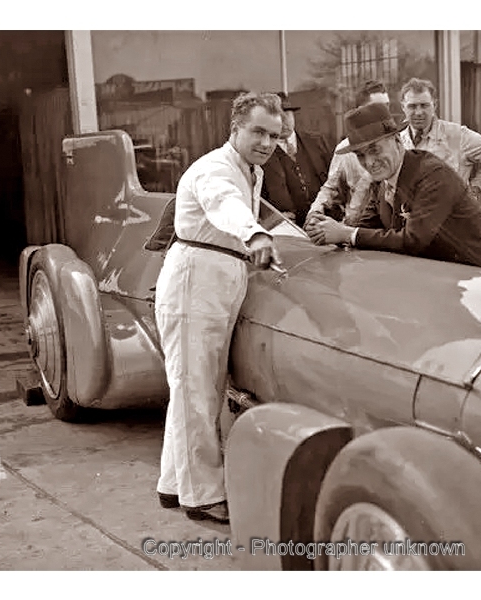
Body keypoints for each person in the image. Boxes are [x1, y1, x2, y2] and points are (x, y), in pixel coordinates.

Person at [152, 92, 284, 525]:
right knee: (197, 390)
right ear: (235, 129)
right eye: (258, 132)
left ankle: (175, 484)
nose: (266, 142)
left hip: (218, 277)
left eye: (274, 135)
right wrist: (254, 233)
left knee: (194, 387)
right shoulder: (215, 169)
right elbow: (224, 204)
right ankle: (203, 496)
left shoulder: (251, 170)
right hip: (197, 279)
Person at [305, 102, 481, 274]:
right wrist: (324, 229)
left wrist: (345, 233)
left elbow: (413, 241)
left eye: (375, 150)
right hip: (454, 274)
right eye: (360, 155)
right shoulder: (380, 182)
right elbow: (366, 226)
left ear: (397, 142)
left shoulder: (432, 174)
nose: (369, 161)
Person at [399, 77, 481, 202]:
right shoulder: (398, 141)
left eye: (424, 105)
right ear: (403, 107)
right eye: (412, 106)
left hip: (452, 217)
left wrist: (474, 189)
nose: (419, 112)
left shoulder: (457, 136)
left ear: (434, 106)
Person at [306, 80, 391, 226]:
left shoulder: (400, 143)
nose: (385, 113)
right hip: (356, 229)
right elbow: (331, 188)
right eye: (378, 108)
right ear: (360, 111)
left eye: (387, 106)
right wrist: (315, 213)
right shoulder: (345, 150)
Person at [261, 93, 332, 227]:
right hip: (289, 230)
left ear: (293, 115)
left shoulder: (317, 142)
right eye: (277, 117)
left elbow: (335, 181)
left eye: (286, 115)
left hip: (326, 224)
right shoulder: (262, 153)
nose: (283, 122)